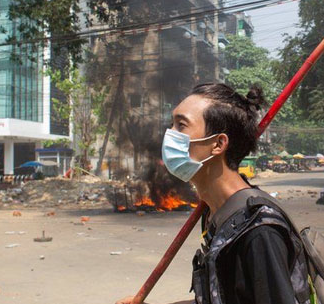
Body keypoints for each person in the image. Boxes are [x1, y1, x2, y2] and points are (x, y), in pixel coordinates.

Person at [116, 84, 309, 304]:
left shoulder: (258, 229)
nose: (169, 135)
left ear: (218, 144)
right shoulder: (217, 214)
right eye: (172, 124)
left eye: (181, 125)